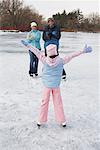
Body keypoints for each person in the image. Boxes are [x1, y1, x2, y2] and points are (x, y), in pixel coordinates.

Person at [21, 40, 92, 128]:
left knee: (44, 102)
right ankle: (62, 120)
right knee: (58, 102)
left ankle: (41, 120)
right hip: (56, 86)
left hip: (47, 85)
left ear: (47, 52)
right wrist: (83, 51)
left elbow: (36, 51)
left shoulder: (44, 59)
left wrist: (28, 45)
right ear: (56, 52)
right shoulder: (61, 61)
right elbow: (72, 55)